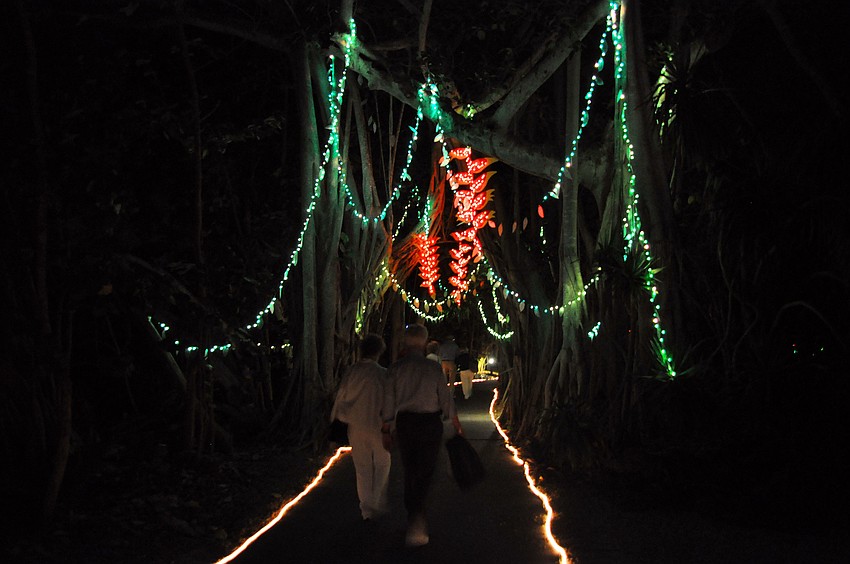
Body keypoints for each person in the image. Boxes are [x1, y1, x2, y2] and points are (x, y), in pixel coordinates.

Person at [382, 324, 463, 547]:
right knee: (426, 469)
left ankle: (414, 514)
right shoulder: (432, 368)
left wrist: (386, 429)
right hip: (430, 423)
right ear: (425, 343)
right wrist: (454, 422)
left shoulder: (396, 368)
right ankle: (418, 515)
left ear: (405, 343)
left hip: (406, 423)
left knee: (410, 469)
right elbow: (446, 399)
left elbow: (388, 401)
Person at [331, 333, 391, 521]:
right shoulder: (383, 373)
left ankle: (366, 509)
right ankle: (376, 501)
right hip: (378, 426)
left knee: (362, 467)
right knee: (382, 463)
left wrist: (336, 420)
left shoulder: (352, 372)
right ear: (379, 352)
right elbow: (390, 401)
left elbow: (341, 398)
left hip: (355, 426)